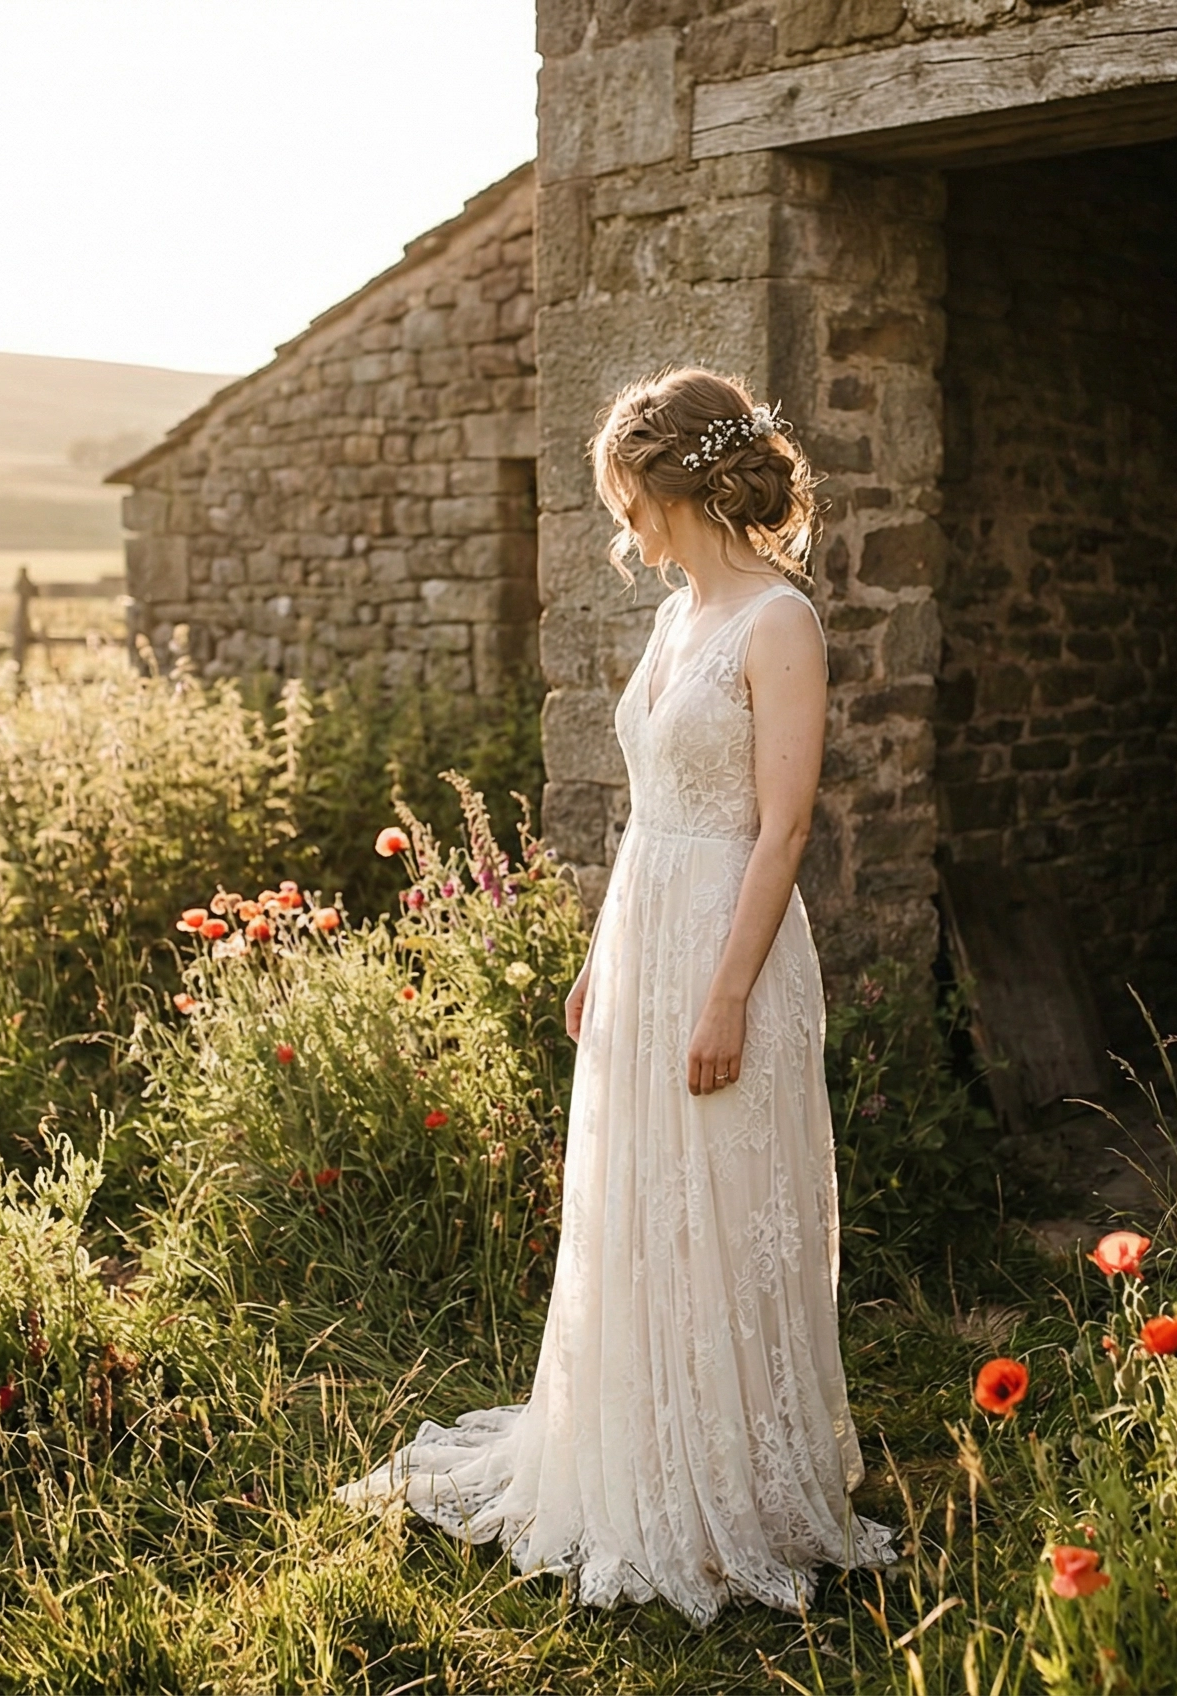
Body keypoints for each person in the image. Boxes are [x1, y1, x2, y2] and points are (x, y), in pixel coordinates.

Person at [334, 367, 893, 1625]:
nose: (619, 524)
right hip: (648, 931)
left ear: (675, 482)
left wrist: (723, 996)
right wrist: (604, 952)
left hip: (729, 946)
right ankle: (643, 1440)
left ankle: (736, 1479)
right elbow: (650, 809)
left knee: (726, 1196)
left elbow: (784, 824)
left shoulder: (777, 623)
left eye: (625, 497)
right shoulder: (674, 617)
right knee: (645, 1198)